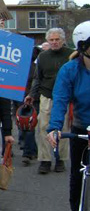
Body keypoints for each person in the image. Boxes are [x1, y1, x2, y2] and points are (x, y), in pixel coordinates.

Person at [47, 21, 90, 211]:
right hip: (81, 128)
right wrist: (55, 127)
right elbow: (60, 99)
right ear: (83, 47)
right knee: (77, 176)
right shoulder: (70, 70)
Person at [25, 28, 73, 174]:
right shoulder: (43, 56)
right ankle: (45, 160)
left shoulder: (71, 55)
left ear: (63, 40)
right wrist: (32, 94)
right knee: (43, 128)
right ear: (48, 41)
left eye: (57, 39)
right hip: (46, 95)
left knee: (63, 129)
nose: (54, 42)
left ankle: (60, 160)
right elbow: (37, 77)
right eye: (51, 40)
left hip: (66, 97)